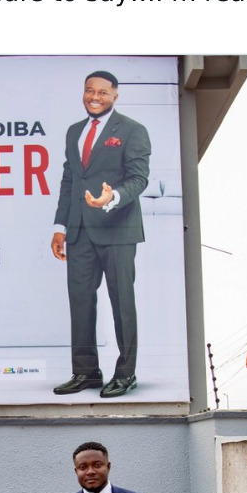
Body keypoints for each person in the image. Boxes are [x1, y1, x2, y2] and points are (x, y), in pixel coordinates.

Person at [51, 71, 151, 397]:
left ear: (115, 96)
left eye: (103, 93)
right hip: (79, 231)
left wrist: (114, 196)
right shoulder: (74, 133)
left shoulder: (133, 131)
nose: (95, 97)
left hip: (118, 230)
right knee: (80, 302)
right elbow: (70, 181)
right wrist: (60, 227)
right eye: (89, 91)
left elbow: (139, 179)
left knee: (122, 302)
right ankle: (86, 372)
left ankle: (126, 373)